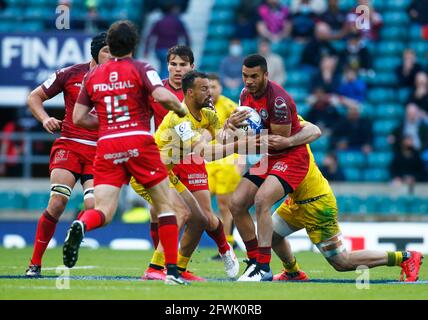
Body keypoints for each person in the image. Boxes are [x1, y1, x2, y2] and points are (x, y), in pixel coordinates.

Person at [65, 20, 188, 286]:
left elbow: (78, 117)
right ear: (134, 43)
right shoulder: (142, 68)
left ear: (111, 45)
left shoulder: (92, 76)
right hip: (139, 141)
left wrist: (110, 123)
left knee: (105, 211)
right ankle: (172, 273)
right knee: (165, 206)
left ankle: (82, 225)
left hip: (107, 144)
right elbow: (162, 95)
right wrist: (180, 109)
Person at [271, 118, 423, 283]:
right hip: (296, 201)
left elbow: (313, 130)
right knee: (270, 234)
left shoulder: (286, 125)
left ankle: (405, 257)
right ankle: (293, 272)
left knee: (342, 262)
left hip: (316, 205)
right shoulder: (276, 127)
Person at [132, 71, 243, 281]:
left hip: (168, 172)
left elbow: (222, 139)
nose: (209, 93)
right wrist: (241, 145)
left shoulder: (209, 114)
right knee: (180, 212)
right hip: (148, 170)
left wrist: (233, 127)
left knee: (201, 217)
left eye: (210, 88)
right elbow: (205, 153)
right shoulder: (179, 119)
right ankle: (154, 268)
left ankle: (222, 249)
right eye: (204, 89)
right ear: (190, 93)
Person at [24, 32, 110, 277]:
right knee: (58, 201)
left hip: (99, 151)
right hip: (69, 145)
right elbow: (34, 97)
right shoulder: (69, 73)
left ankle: (76, 230)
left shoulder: (119, 81)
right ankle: (35, 264)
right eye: (106, 51)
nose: (111, 57)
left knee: (94, 207)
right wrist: (45, 118)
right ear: (95, 53)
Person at [228, 54, 312, 281]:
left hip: (290, 158)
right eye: (245, 76)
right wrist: (231, 125)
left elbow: (278, 141)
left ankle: (264, 267)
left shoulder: (278, 101)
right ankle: (254, 261)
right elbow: (245, 130)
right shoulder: (245, 94)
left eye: (254, 76)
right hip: (267, 158)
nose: (249, 81)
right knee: (236, 204)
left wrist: (241, 141)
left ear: (266, 75)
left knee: (262, 200)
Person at [206, 73, 243, 255]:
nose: (211, 91)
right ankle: (225, 241)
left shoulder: (229, 106)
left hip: (227, 160)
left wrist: (241, 159)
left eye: (214, 87)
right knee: (201, 202)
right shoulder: (201, 106)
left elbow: (244, 133)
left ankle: (227, 243)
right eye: (208, 87)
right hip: (206, 159)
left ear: (220, 87)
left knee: (224, 204)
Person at [144, 3, 190, 79]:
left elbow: (150, 36)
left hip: (159, 49)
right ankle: (162, 85)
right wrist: (188, 48)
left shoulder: (159, 22)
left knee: (164, 67)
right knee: (166, 69)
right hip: (172, 50)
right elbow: (185, 36)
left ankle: (159, 83)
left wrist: (146, 50)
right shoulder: (177, 22)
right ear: (172, 10)